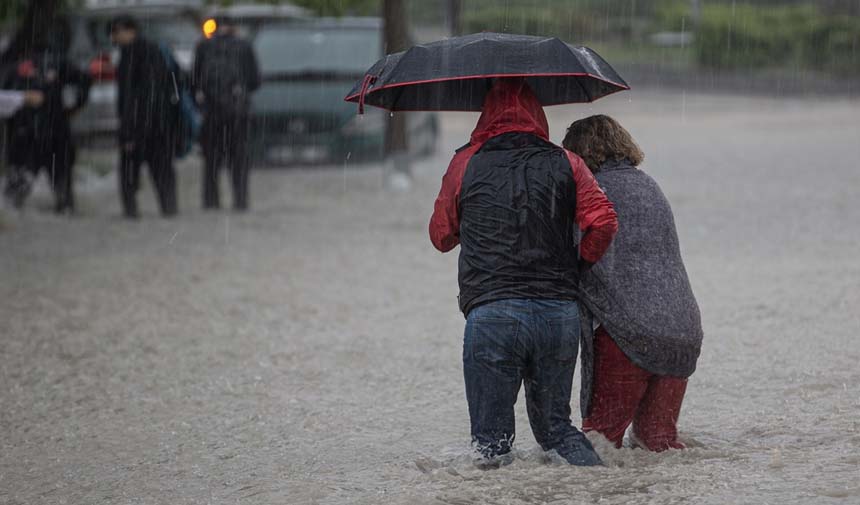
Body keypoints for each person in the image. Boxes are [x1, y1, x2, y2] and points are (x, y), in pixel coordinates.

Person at [429, 78, 618, 467]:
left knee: (490, 447)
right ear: (538, 113)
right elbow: (604, 222)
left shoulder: (465, 162)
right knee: (558, 433)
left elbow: (441, 236)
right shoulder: (568, 161)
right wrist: (577, 264)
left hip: (493, 315)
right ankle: (606, 490)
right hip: (558, 314)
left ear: (484, 114)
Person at [562, 115, 703, 452]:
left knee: (599, 447)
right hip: (682, 331)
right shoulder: (649, 185)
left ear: (578, 155)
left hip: (629, 334)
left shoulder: (592, 191)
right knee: (659, 446)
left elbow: (571, 253)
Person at [1, 18, 91, 214]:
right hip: (52, 128)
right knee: (61, 184)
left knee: (17, 186)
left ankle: (14, 210)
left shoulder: (10, 60)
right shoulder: (58, 59)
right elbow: (84, 81)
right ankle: (65, 207)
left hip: (23, 131)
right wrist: (75, 106)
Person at [110, 15, 180, 218]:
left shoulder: (135, 54)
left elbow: (134, 95)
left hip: (142, 126)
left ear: (128, 30)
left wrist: (129, 129)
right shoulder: (152, 51)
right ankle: (169, 212)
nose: (114, 38)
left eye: (116, 32)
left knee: (130, 174)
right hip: (158, 123)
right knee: (162, 172)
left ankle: (133, 215)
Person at [192, 16, 260, 211]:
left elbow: (194, 80)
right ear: (234, 27)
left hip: (212, 113)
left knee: (211, 161)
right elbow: (255, 81)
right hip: (238, 113)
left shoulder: (203, 46)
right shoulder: (244, 46)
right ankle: (240, 200)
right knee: (239, 159)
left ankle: (211, 202)